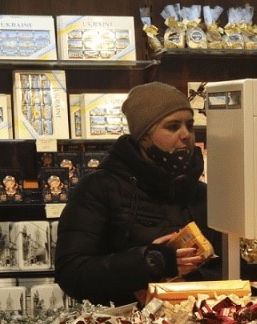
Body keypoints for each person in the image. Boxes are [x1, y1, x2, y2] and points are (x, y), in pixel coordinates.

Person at [55, 82, 222, 307]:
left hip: (200, 321)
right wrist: (150, 262)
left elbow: (233, 267)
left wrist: (189, 281)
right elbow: (72, 273)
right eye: (173, 127)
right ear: (144, 137)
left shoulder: (201, 193)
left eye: (189, 125)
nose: (186, 135)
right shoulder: (99, 188)